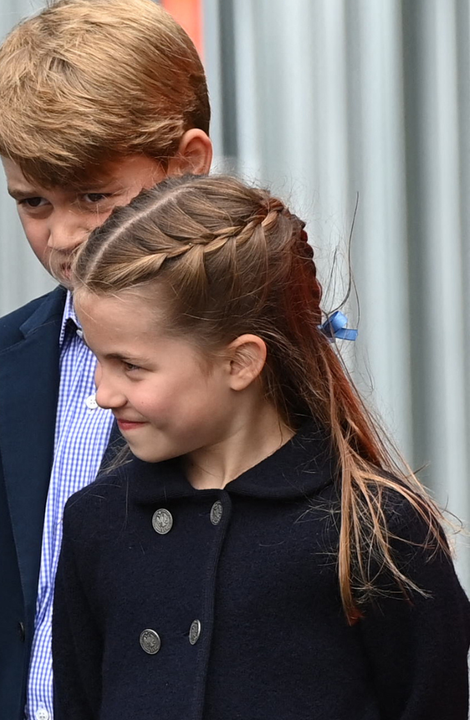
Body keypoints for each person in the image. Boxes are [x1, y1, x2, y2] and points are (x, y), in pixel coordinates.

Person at [0, 1, 211, 718]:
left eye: (94, 195)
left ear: (188, 164)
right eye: (33, 201)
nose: (64, 235)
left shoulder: (250, 367)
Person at [55, 173, 470, 719]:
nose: (103, 395)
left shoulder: (376, 527)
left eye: (130, 366)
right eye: (97, 360)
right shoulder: (97, 522)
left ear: (240, 362)